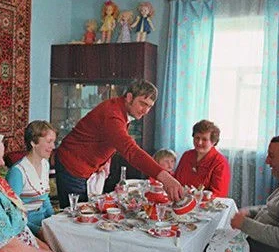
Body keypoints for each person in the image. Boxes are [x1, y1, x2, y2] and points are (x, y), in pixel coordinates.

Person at [55, 79, 183, 208]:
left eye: (149, 106)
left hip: (85, 166)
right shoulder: (113, 114)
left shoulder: (119, 108)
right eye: (142, 104)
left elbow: (109, 138)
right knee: (75, 213)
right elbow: (130, 151)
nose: (145, 111)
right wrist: (166, 178)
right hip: (72, 164)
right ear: (129, 97)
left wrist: (105, 161)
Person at [6, 121, 56, 237]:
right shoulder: (18, 172)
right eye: (49, 142)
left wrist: (54, 220)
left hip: (43, 222)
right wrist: (38, 231)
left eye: (53, 142)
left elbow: (45, 199)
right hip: (25, 227)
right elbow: (13, 214)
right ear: (33, 142)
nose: (53, 146)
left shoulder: (45, 164)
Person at [174, 119, 231, 197]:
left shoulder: (220, 163)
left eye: (204, 139)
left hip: (206, 204)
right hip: (181, 200)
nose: (199, 142)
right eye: (197, 138)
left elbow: (219, 195)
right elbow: (176, 181)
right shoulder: (187, 155)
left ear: (213, 142)